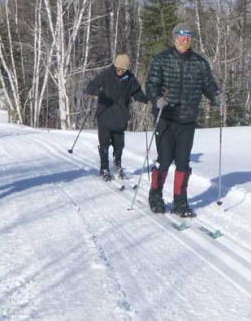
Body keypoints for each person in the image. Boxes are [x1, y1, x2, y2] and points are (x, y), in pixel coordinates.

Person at [145, 22, 219, 218]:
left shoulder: (200, 63)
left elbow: (209, 85)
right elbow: (151, 84)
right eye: (182, 34)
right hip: (166, 118)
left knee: (183, 163)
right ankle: (156, 196)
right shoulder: (162, 59)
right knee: (164, 161)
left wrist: (217, 96)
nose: (186, 38)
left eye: (189, 34)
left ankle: (180, 202)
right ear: (175, 36)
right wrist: (156, 99)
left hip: (187, 120)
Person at [85, 54, 148, 181]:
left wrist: (145, 99)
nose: (120, 72)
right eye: (118, 69)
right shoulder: (106, 74)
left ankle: (117, 165)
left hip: (120, 116)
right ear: (115, 66)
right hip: (105, 114)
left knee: (119, 145)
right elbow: (90, 87)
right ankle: (104, 169)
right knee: (104, 144)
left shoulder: (130, 78)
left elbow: (136, 92)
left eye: (123, 70)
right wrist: (99, 92)